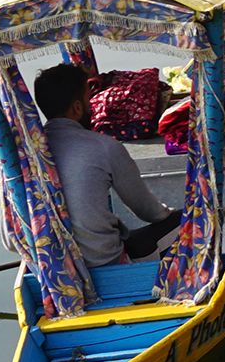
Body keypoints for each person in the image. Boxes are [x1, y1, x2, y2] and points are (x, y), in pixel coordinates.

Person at [33, 63, 184, 268]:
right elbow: (150, 212)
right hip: (104, 261)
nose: (93, 106)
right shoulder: (104, 146)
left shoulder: (23, 159)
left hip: (52, 267)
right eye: (89, 100)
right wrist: (171, 212)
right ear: (77, 107)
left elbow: (10, 240)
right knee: (188, 218)